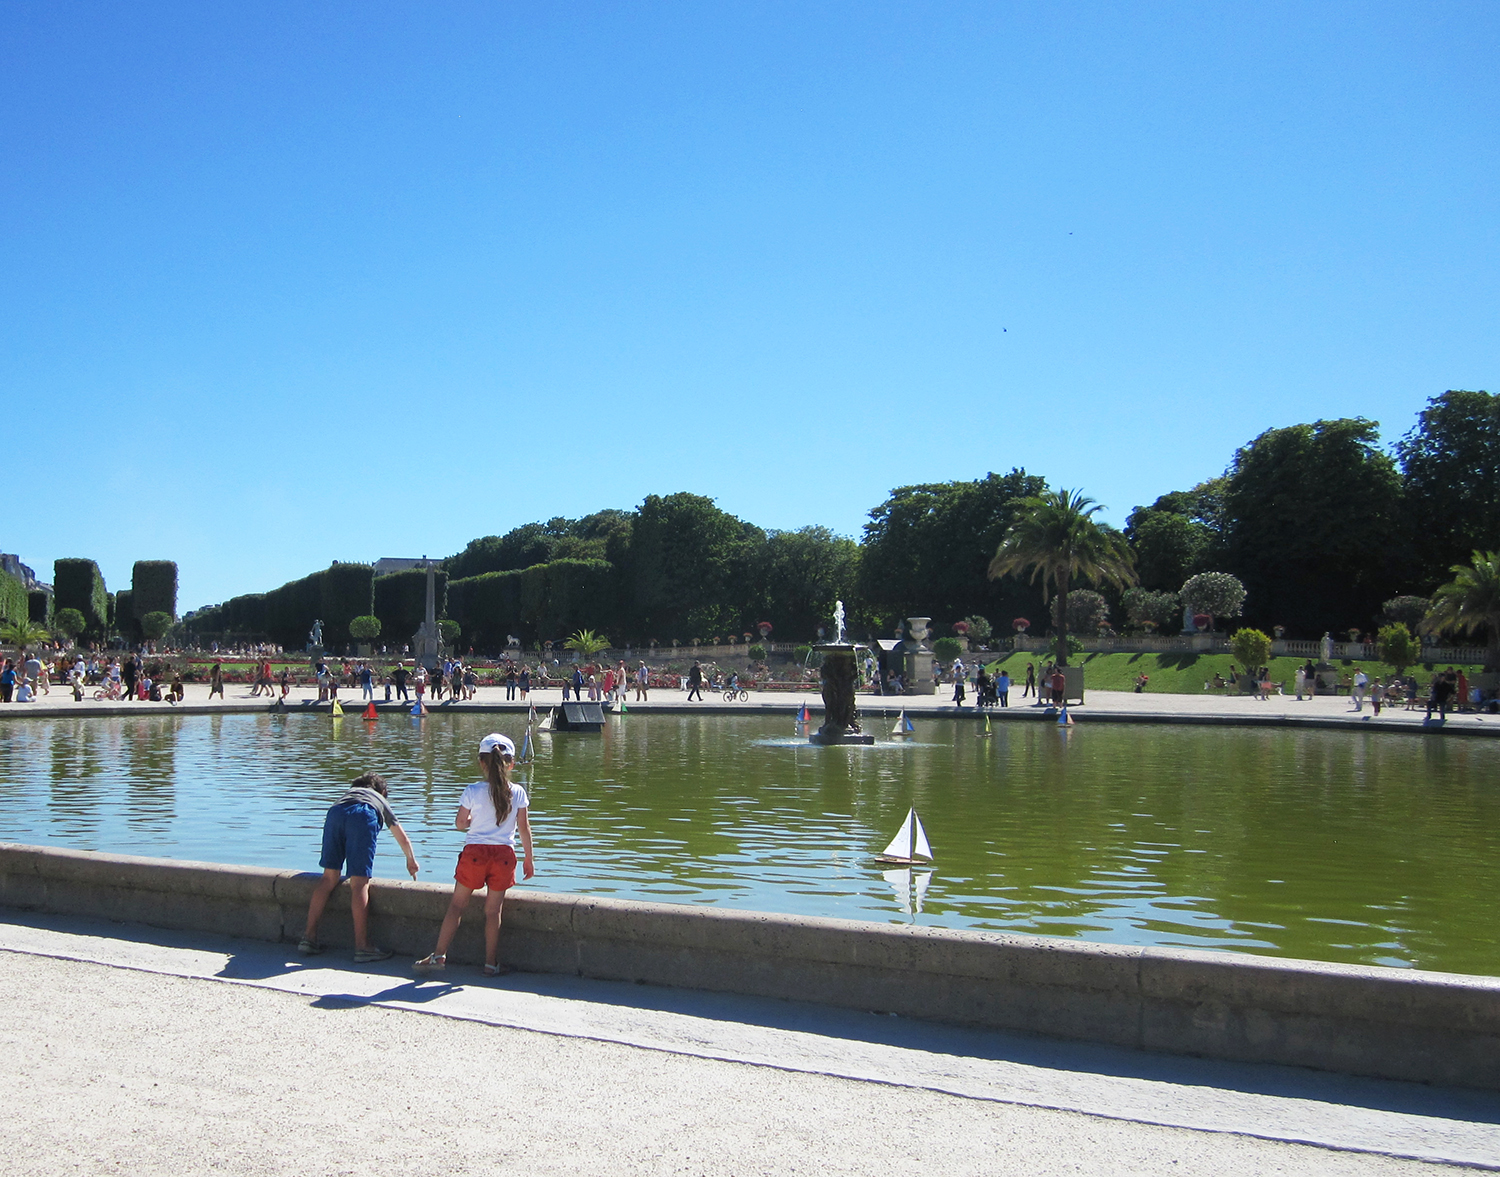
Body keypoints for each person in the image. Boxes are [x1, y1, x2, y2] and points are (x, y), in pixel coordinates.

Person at [415, 733, 534, 976]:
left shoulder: (472, 790)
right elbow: (524, 828)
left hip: (475, 853)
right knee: (493, 912)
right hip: (504, 855)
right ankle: (491, 963)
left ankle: (438, 956)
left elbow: (460, 823)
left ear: (481, 762)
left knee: (457, 906)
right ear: (511, 764)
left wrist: (471, 820)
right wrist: (529, 859)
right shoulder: (519, 792)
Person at [299, 772, 420, 962]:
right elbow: (401, 836)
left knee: (328, 878)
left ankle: (309, 937)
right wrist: (411, 860)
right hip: (363, 815)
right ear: (383, 790)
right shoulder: (378, 798)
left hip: (335, 813)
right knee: (359, 882)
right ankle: (363, 947)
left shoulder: (348, 794)